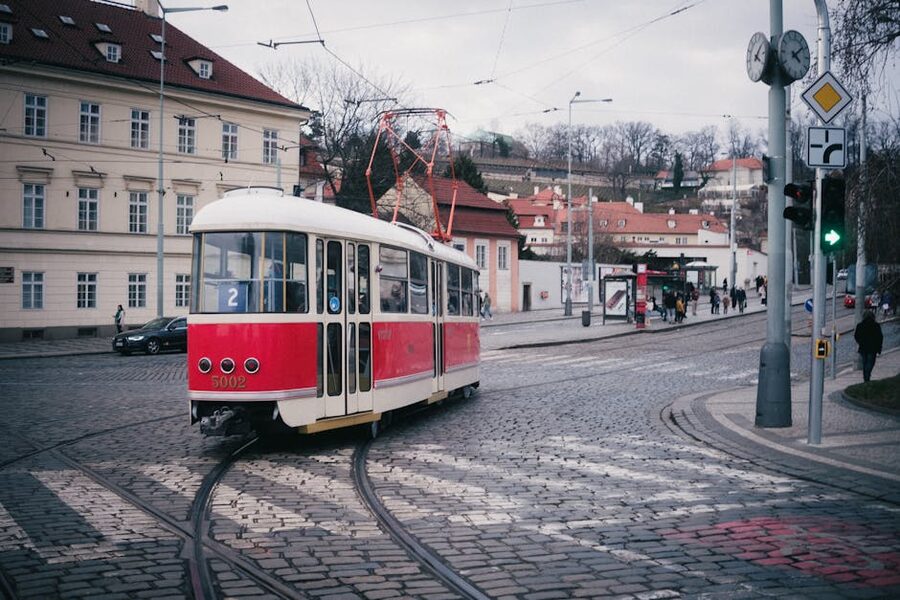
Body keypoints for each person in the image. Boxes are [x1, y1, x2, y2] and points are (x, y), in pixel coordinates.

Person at [854, 310, 883, 383]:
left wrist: (860, 342)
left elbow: (856, 336)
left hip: (863, 347)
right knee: (870, 363)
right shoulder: (876, 325)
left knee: (865, 363)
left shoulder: (860, 325)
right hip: (873, 348)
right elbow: (880, 337)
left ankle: (866, 378)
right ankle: (867, 376)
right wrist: (879, 348)